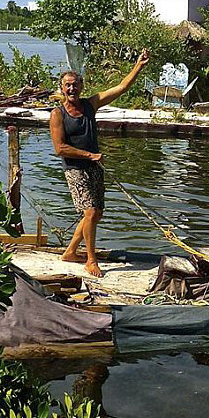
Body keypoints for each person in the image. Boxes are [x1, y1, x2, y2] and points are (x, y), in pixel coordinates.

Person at [49, 50, 150, 276]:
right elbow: (59, 148)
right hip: (75, 169)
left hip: (94, 167)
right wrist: (89, 156)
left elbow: (121, 88)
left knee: (96, 213)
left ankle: (70, 252)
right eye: (67, 85)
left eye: (75, 84)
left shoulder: (90, 105)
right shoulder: (57, 114)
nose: (71, 89)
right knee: (91, 212)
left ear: (81, 86)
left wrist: (138, 66)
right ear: (62, 89)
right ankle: (91, 260)